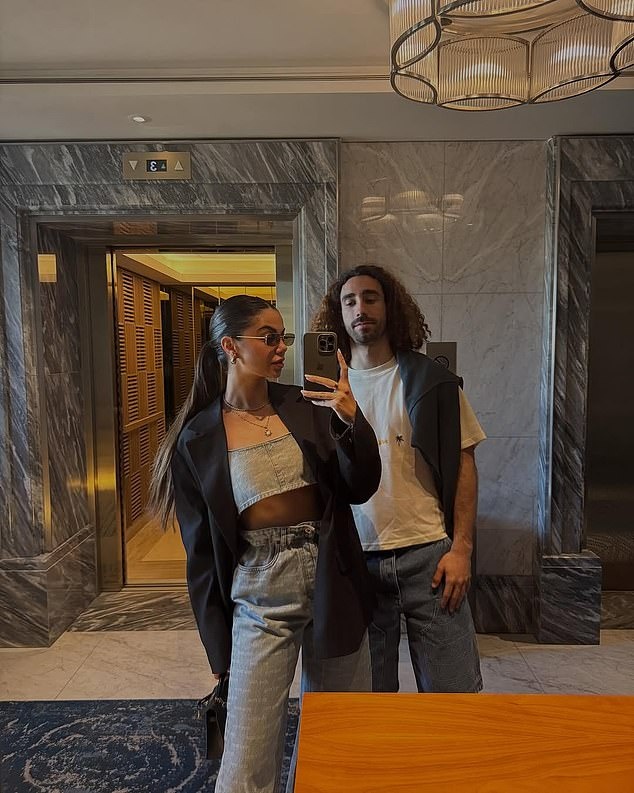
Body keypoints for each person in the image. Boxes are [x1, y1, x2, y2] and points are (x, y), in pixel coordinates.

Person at [149, 294, 380, 793]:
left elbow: (360, 486)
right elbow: (201, 559)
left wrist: (350, 422)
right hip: (258, 594)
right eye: (269, 337)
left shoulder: (308, 405)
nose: (281, 349)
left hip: (331, 577)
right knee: (245, 765)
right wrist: (220, 653)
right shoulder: (197, 439)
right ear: (231, 347)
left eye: (284, 338)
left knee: (338, 747)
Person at [312, 264, 485, 694]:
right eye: (349, 301)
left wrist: (462, 549)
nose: (360, 308)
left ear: (390, 305)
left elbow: (465, 463)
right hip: (356, 561)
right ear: (338, 313)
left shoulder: (433, 382)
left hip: (430, 555)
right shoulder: (323, 391)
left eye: (370, 298)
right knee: (371, 701)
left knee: (455, 693)